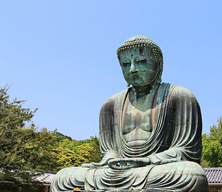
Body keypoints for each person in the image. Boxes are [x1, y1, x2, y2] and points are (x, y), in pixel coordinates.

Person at [51, 36, 208, 192]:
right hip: (117, 172)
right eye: (126, 64)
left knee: (192, 175)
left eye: (140, 62)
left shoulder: (180, 96)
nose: (133, 69)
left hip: (156, 169)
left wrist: (147, 160)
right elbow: (109, 151)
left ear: (158, 64)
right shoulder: (110, 105)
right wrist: (112, 161)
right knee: (62, 178)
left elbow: (186, 150)